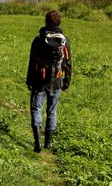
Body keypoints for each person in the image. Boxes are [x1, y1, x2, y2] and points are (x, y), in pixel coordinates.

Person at [26, 10, 72, 153]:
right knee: (52, 111)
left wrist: (29, 80)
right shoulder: (64, 41)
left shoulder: (38, 40)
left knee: (36, 108)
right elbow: (68, 63)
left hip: (39, 80)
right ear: (59, 22)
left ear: (46, 22)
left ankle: (37, 142)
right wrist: (66, 81)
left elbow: (32, 61)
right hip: (57, 80)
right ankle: (48, 144)